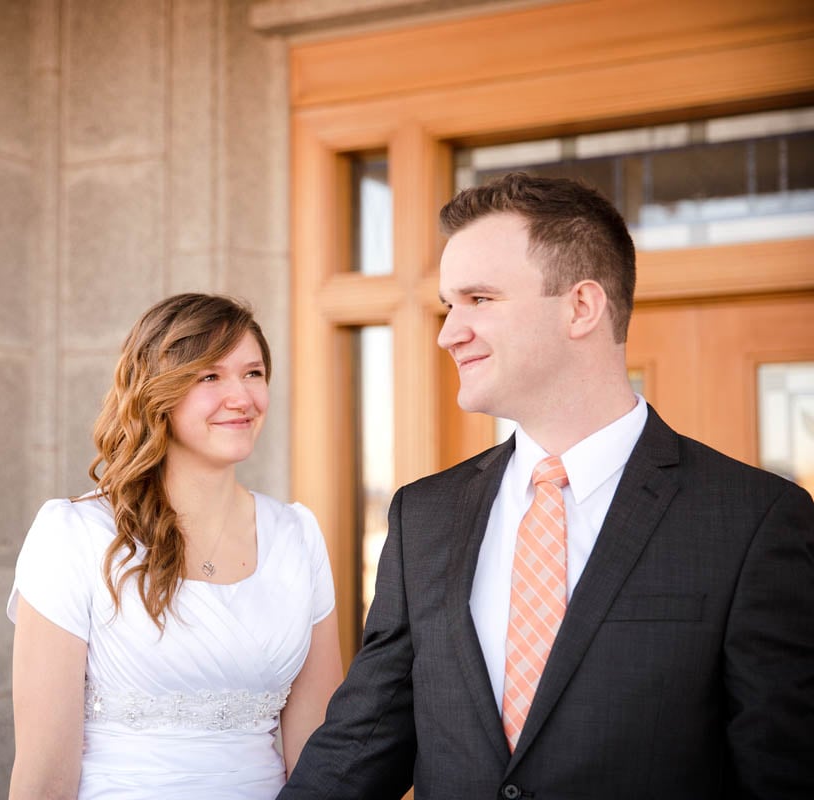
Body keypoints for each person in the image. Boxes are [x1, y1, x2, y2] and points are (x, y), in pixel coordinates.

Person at [280, 173, 814, 799]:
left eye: (480, 299)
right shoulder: (422, 516)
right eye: (451, 305)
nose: (448, 332)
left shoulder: (754, 520)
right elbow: (362, 744)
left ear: (581, 307)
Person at [5, 293, 342, 799]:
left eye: (253, 373)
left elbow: (317, 754)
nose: (242, 397)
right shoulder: (72, 535)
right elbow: (43, 773)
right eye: (210, 376)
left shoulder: (297, 535)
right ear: (157, 392)